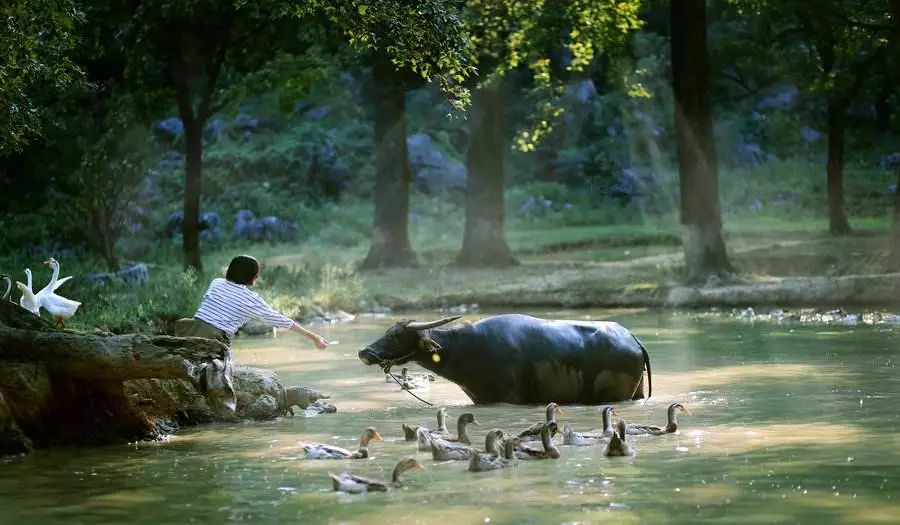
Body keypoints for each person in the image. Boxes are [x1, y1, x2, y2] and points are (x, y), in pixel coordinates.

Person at [175, 254, 330, 349]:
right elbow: (281, 320)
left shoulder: (216, 282)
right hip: (214, 341)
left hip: (189, 331)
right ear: (253, 277)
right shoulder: (250, 299)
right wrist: (314, 337)